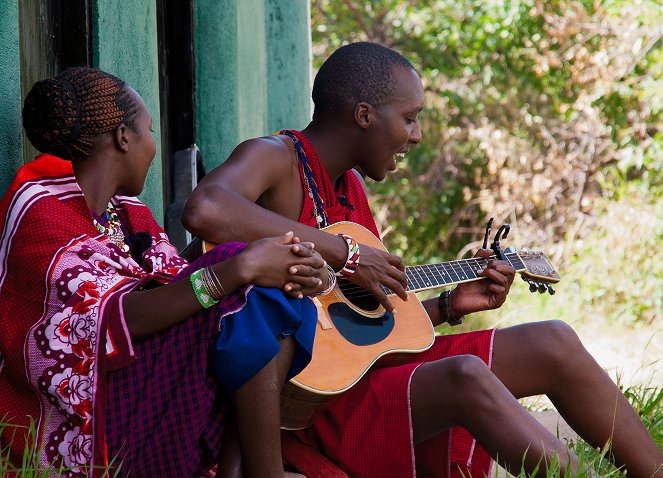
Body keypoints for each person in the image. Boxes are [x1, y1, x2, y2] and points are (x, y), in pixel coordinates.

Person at [182, 42, 663, 478]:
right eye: (410, 118)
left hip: (355, 380)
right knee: (465, 376)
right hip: (306, 411)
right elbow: (206, 209)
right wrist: (346, 253)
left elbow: (354, 328)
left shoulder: (349, 190)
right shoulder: (274, 157)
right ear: (365, 115)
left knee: (552, 340)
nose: (415, 136)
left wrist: (450, 305)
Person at [0, 67, 330, 478]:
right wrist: (239, 266)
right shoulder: (40, 206)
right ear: (124, 137)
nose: (154, 144)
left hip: (140, 398)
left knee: (269, 288)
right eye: (150, 130)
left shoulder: (127, 213)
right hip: (89, 423)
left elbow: (180, 289)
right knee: (242, 274)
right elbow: (105, 321)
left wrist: (291, 268)